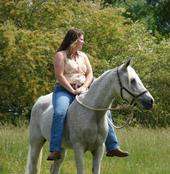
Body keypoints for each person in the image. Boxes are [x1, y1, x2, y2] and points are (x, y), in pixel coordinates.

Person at [47, 28, 128, 160]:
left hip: (84, 89)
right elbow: (59, 76)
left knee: (104, 110)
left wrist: (84, 87)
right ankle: (55, 149)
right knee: (60, 112)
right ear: (73, 40)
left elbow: (89, 74)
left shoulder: (83, 56)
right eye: (81, 39)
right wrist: (72, 90)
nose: (83, 42)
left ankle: (113, 146)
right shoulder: (60, 55)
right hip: (64, 90)